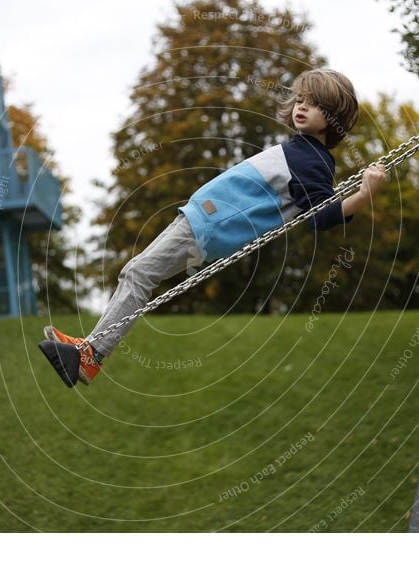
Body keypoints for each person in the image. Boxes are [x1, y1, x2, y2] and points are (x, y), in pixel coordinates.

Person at [39, 68, 388, 387]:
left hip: (208, 224)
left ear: (334, 115)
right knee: (139, 273)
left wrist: (365, 192)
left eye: (314, 104)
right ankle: (90, 349)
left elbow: (323, 216)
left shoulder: (311, 161)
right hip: (204, 219)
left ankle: (91, 356)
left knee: (138, 273)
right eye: (300, 99)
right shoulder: (301, 151)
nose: (301, 107)